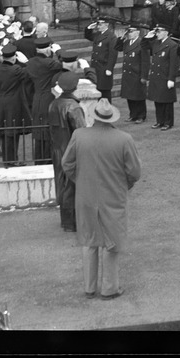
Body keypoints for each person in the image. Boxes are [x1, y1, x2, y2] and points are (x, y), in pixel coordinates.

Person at [61, 98, 142, 300]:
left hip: (86, 196)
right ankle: (109, 288)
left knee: (89, 241)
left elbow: (67, 163)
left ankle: (89, 288)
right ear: (111, 117)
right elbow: (134, 172)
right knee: (112, 243)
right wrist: (125, 185)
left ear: (93, 116)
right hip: (113, 196)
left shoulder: (79, 135)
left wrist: (80, 181)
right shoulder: (124, 139)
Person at [48, 71, 86, 232]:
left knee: (63, 185)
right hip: (72, 150)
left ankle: (66, 221)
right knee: (73, 185)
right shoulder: (73, 107)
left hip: (57, 149)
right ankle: (74, 222)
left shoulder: (53, 104)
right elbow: (81, 131)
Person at [0, 44, 32, 163]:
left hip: (2, 101)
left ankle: (8, 158)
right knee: (12, 132)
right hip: (14, 103)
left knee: (6, 132)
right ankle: (11, 159)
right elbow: (29, 72)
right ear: (14, 57)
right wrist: (25, 62)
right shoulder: (16, 70)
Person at [146, 24, 180, 130]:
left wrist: (171, 78)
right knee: (158, 100)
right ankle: (159, 121)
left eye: (159, 32)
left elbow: (174, 63)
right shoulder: (156, 43)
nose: (157, 34)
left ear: (166, 32)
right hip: (156, 75)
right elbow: (144, 46)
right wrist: (147, 37)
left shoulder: (172, 45)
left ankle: (168, 122)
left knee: (166, 101)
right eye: (156, 32)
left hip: (165, 76)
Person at [118, 23, 150, 123]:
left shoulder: (141, 43)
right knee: (129, 96)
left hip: (137, 73)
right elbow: (117, 47)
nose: (130, 34)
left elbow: (145, 62)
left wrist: (144, 76)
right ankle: (132, 114)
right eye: (128, 32)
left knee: (139, 96)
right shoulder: (127, 42)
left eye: (131, 32)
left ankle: (141, 115)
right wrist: (121, 38)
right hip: (128, 73)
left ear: (137, 32)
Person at [89, 16, 119, 101]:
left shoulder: (111, 36)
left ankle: (106, 110)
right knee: (97, 89)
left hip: (103, 67)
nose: (98, 26)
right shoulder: (98, 34)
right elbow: (88, 36)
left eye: (100, 24)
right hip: (96, 66)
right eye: (98, 25)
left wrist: (109, 68)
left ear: (106, 25)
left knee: (104, 91)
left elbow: (113, 54)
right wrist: (89, 28)